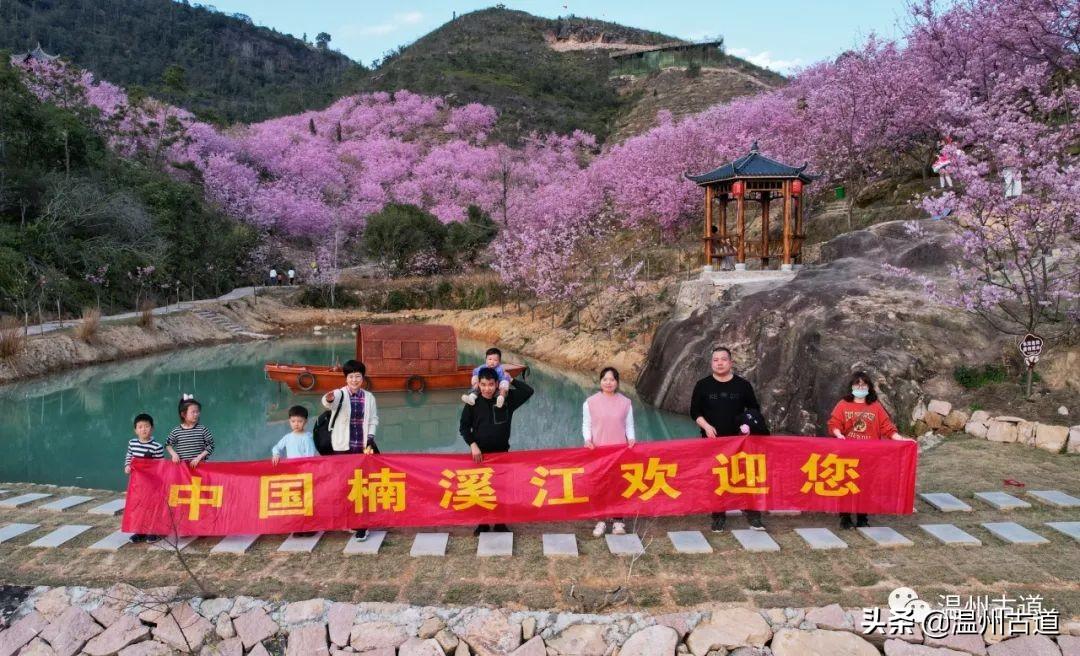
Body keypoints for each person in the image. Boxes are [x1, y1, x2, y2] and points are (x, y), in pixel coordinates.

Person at [689, 346, 765, 533]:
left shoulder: (742, 385)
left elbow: (754, 409)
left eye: (723, 359)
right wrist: (706, 427)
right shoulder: (703, 385)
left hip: (740, 441)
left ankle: (753, 515)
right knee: (717, 478)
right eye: (716, 360)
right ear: (711, 363)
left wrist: (748, 425)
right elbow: (694, 412)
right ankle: (718, 516)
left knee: (747, 476)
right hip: (713, 441)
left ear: (730, 362)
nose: (720, 363)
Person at [826, 371, 913, 530]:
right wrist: (838, 434)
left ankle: (862, 517)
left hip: (869, 455)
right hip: (847, 454)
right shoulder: (843, 405)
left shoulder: (875, 407)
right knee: (846, 485)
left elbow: (887, 427)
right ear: (851, 387)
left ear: (869, 387)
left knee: (865, 486)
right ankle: (845, 517)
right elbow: (834, 423)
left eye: (863, 385)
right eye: (857, 384)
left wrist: (901, 439)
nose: (860, 387)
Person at [459, 368, 534, 535]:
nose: (487, 389)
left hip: (502, 454)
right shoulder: (472, 402)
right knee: (481, 488)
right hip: (480, 456)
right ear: (478, 385)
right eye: (483, 385)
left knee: (502, 489)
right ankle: (483, 523)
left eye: (491, 384)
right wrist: (472, 445)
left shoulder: (507, 399)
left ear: (497, 384)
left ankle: (500, 523)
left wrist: (510, 379)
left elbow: (528, 391)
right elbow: (463, 427)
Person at [322, 360, 379, 541]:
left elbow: (373, 419)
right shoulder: (340, 394)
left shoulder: (369, 397)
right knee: (345, 484)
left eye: (358, 376)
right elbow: (328, 402)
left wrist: (370, 438)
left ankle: (362, 524)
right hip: (342, 447)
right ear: (346, 378)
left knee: (362, 485)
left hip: (362, 447)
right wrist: (328, 398)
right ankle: (348, 519)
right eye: (351, 376)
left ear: (363, 378)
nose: (354, 380)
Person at [583, 367, 636, 537]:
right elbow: (586, 424)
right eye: (605, 379)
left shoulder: (625, 402)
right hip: (597, 450)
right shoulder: (590, 402)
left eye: (612, 380)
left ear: (617, 383)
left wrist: (631, 438)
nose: (608, 383)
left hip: (619, 451)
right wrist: (587, 439)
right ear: (600, 381)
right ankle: (601, 521)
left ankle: (618, 521)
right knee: (599, 486)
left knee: (618, 485)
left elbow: (629, 425)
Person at [124, 413, 164, 544]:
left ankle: (153, 531)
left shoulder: (157, 446)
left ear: (152, 428)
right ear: (135, 430)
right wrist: (127, 466)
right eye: (140, 427)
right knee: (138, 506)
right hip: (137, 484)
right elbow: (129, 456)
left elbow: (160, 465)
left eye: (146, 426)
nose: (143, 429)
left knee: (152, 506)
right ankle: (140, 531)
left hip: (152, 484)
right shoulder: (132, 443)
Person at [166, 394, 214, 468]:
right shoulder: (176, 431)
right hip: (183, 469)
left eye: (197, 412)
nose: (196, 414)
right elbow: (168, 444)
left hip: (200, 468)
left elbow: (211, 445)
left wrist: (199, 457)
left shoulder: (202, 429)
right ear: (183, 414)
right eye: (193, 412)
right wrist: (174, 454)